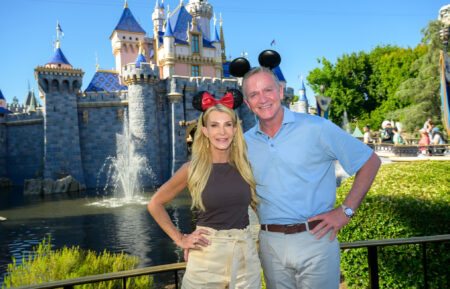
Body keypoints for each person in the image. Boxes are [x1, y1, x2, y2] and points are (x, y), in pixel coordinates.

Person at [242, 66, 381, 289]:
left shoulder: (317, 128)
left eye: (268, 90)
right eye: (254, 94)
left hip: (315, 239)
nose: (262, 98)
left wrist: (345, 211)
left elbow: (370, 161)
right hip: (270, 243)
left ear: (281, 91)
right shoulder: (244, 142)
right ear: (248, 103)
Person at [148, 91, 261, 288]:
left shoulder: (245, 167)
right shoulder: (192, 169)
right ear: (205, 131)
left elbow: (256, 207)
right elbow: (155, 203)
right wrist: (181, 238)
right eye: (214, 125)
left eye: (227, 125)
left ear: (235, 129)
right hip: (207, 256)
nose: (222, 132)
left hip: (245, 255)